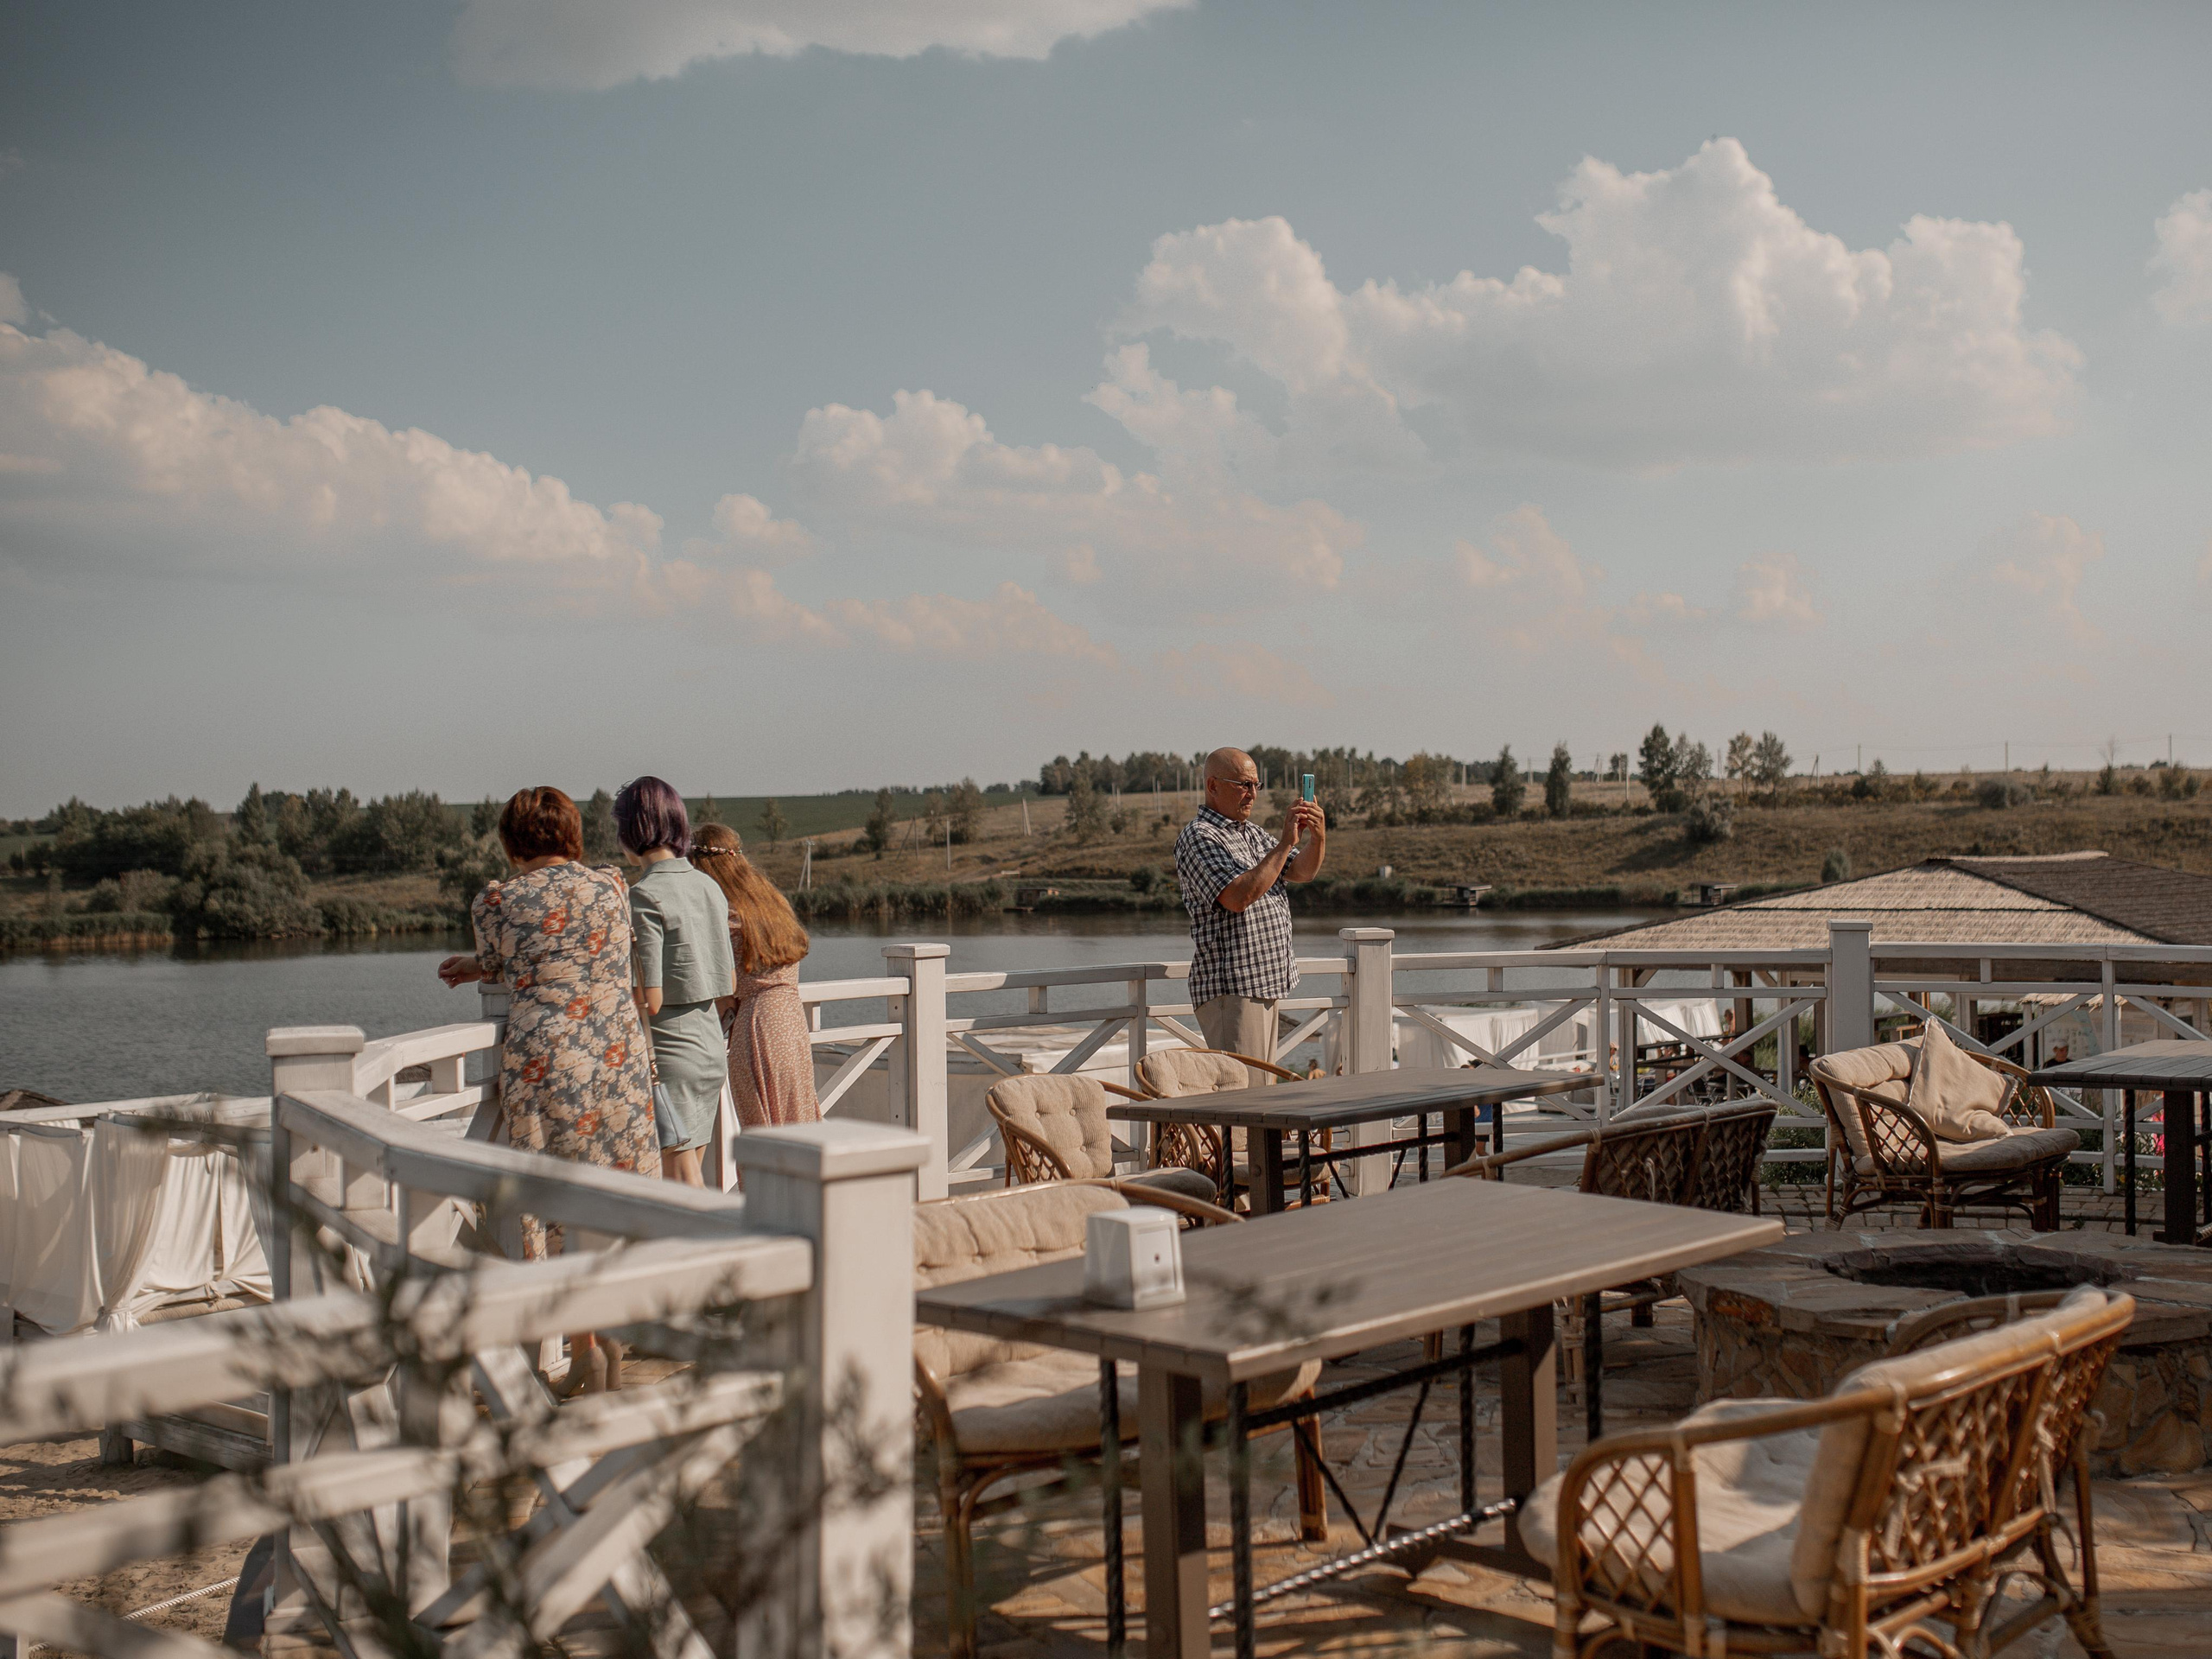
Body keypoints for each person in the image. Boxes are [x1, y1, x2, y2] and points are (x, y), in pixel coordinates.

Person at [435, 785, 656, 1395]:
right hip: (616, 1054)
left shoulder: (499, 900)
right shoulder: (612, 886)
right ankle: (605, 1344)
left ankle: (581, 1350)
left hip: (548, 1060)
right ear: (571, 836)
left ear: (511, 839)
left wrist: (477, 966)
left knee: (553, 1199)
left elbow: (512, 959)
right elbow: (580, 950)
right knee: (613, 1193)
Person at [615, 777, 736, 1187]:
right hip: (709, 1048)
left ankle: (721, 1250)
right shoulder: (710, 887)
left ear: (631, 831)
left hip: (670, 1051)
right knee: (687, 1178)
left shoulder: (644, 895)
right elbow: (726, 977)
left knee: (683, 1187)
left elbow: (649, 997)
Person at [1173, 747, 1326, 1067]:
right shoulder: (1199, 836)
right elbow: (1237, 897)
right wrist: (1285, 843)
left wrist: (1318, 838)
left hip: (1263, 983)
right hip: (1234, 989)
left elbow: (1302, 872)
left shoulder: (1252, 834)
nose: (1252, 794)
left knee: (1259, 1095)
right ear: (1213, 786)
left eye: (1256, 785)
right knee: (1245, 1100)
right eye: (1244, 785)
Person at [690, 823, 820, 1128]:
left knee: (762, 1134)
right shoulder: (770, 903)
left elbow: (722, 987)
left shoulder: (724, 914)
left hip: (757, 1028)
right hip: (791, 1023)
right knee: (797, 1124)